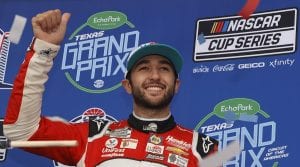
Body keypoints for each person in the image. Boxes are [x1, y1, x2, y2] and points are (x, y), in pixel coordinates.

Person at [3, 9, 218, 167]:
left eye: (164, 68)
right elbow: (22, 131)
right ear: (127, 85)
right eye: (144, 68)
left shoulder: (204, 149)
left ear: (176, 84)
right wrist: (44, 49)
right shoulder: (92, 137)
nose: (154, 75)